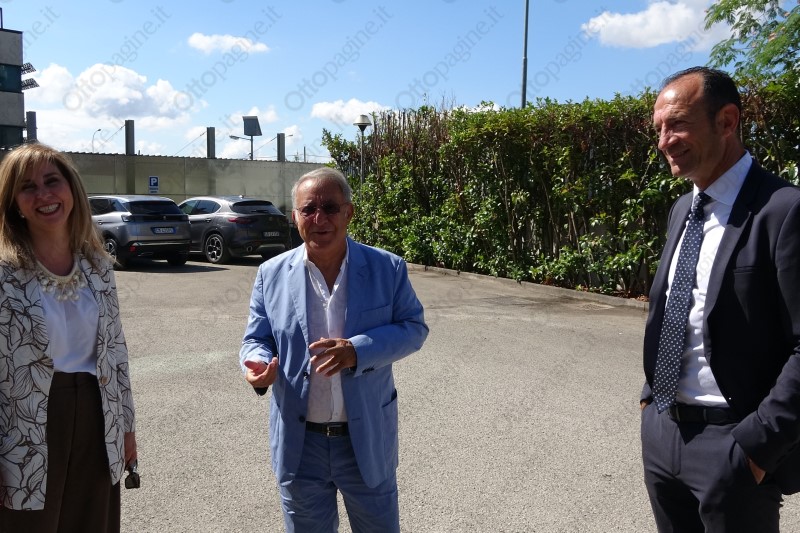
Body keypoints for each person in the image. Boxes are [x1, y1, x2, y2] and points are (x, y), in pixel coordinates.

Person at [640, 66, 800, 532]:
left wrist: (756, 447)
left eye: (677, 124)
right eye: (659, 129)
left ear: (727, 121)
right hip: (664, 432)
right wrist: (650, 403)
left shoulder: (784, 210)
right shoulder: (682, 210)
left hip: (734, 445)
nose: (664, 141)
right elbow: (673, 311)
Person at [240, 166, 428, 532]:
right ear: (295, 217)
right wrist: (257, 364)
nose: (319, 218)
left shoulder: (387, 268)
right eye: (308, 209)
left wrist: (358, 351)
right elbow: (257, 338)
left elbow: (413, 328)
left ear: (348, 212)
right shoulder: (270, 274)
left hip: (365, 441)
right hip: (301, 446)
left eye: (329, 207)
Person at [0, 143, 137, 532]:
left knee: (92, 522)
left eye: (52, 181)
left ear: (72, 189)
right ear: (14, 203)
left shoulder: (98, 267)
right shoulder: (4, 273)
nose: (43, 194)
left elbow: (116, 354)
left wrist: (126, 426)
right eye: (27, 187)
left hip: (98, 416)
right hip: (24, 428)